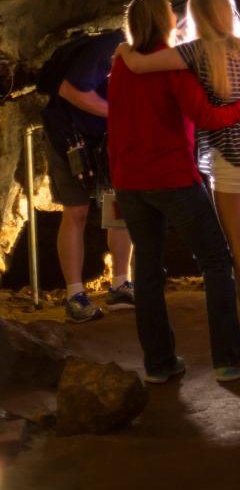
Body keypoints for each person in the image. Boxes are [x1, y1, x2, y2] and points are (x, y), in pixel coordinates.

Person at [108, 0, 240, 384]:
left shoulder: (122, 66)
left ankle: (159, 363)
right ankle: (231, 355)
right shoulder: (175, 66)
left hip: (130, 181)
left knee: (146, 268)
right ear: (165, 22)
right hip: (173, 177)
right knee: (217, 260)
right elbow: (204, 115)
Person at [41, 28, 134, 322]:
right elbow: (70, 88)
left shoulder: (141, 53)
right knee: (76, 211)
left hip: (105, 138)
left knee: (118, 206)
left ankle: (120, 284)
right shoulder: (111, 44)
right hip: (70, 137)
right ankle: (75, 295)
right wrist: (116, 113)